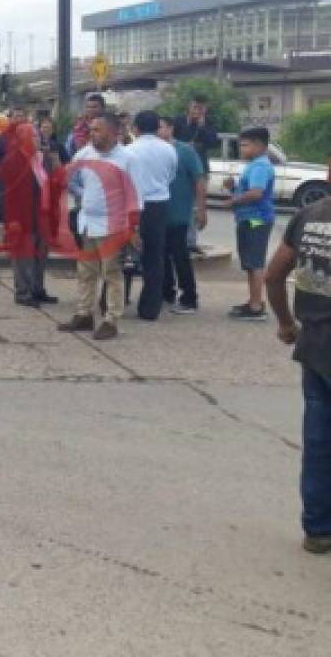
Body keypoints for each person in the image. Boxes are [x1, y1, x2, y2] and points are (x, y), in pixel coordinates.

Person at [265, 176, 331, 555]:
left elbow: (274, 275)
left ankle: (319, 529)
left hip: (317, 347)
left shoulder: (309, 215)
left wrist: (286, 323)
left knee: (320, 441)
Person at [58, 113, 142, 341]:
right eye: (91, 129)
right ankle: (84, 313)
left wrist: (132, 228)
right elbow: (69, 178)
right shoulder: (85, 153)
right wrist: (83, 195)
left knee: (111, 273)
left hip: (113, 226)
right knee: (86, 272)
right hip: (87, 223)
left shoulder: (128, 159)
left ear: (114, 133)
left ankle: (111, 319)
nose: (92, 134)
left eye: (98, 130)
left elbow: (135, 197)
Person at [0, 123, 57, 307]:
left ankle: (37, 288)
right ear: (23, 138)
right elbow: (9, 195)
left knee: (41, 254)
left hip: (42, 214)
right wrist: (13, 220)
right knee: (23, 256)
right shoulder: (13, 160)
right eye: (34, 136)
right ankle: (23, 291)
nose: (39, 139)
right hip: (22, 215)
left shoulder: (40, 159)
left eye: (39, 136)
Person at [125, 111, 177, 322]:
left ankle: (111, 301)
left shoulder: (128, 150)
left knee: (123, 255)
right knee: (155, 257)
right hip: (159, 204)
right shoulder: (169, 149)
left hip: (132, 206)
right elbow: (171, 176)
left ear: (135, 128)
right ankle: (149, 308)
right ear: (157, 128)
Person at [224, 126, 276, 321]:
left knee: (255, 262)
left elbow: (256, 192)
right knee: (250, 262)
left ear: (258, 145)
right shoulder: (254, 164)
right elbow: (248, 190)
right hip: (250, 218)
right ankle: (254, 300)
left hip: (256, 220)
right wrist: (234, 188)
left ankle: (256, 307)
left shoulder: (260, 166)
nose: (242, 149)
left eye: (245, 145)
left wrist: (234, 201)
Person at [158, 116, 207, 315]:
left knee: (180, 256)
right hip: (157, 213)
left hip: (178, 214)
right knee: (161, 255)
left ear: (170, 128)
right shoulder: (153, 151)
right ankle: (166, 291)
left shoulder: (185, 151)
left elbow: (199, 180)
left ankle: (189, 296)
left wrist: (201, 209)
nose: (157, 131)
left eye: (160, 127)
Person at [174, 95, 222, 253]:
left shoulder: (208, 124)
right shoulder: (179, 121)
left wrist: (202, 127)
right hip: (180, 168)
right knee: (179, 203)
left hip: (200, 168)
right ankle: (178, 239)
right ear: (189, 107)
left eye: (201, 109)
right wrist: (189, 125)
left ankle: (191, 241)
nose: (197, 111)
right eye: (195, 107)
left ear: (205, 109)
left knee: (196, 205)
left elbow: (213, 143)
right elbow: (174, 138)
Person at [68, 93, 106, 158]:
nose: (91, 110)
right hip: (86, 157)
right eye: (88, 107)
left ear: (103, 108)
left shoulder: (109, 124)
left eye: (94, 107)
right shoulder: (81, 125)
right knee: (70, 138)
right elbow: (81, 147)